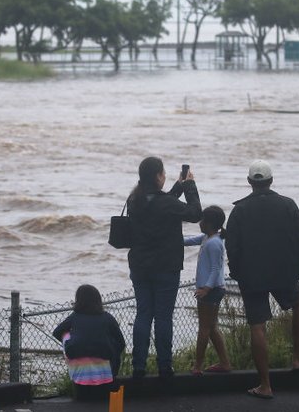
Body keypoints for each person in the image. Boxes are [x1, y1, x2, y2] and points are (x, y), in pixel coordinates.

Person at [226, 160, 299, 400]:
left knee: (257, 325)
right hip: (284, 272)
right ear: (271, 181)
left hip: (251, 276)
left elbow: (232, 247)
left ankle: (265, 385)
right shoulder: (288, 205)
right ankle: (298, 358)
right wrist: (297, 267)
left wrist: (237, 272)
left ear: (250, 182)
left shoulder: (240, 210)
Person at [127, 156, 202, 379]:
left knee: (143, 315)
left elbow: (160, 203)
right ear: (158, 176)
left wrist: (177, 186)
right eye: (163, 173)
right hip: (166, 268)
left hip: (140, 266)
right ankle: (164, 367)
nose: (165, 176)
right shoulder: (166, 204)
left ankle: (138, 367)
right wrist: (189, 186)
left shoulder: (134, 200)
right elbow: (195, 213)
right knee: (163, 317)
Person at [52, 285, 126, 399]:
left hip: (79, 372)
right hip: (105, 370)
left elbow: (57, 332)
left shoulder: (75, 317)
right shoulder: (107, 317)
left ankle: (76, 363)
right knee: (112, 341)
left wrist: (72, 338)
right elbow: (121, 342)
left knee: (65, 334)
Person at [183, 205, 232, 376]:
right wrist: (170, 237)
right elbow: (188, 240)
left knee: (204, 328)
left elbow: (215, 268)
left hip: (211, 290)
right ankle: (225, 363)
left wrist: (206, 288)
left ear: (210, 223)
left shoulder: (214, 243)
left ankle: (198, 366)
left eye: (202, 220)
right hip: (211, 289)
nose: (200, 223)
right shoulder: (208, 238)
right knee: (211, 327)